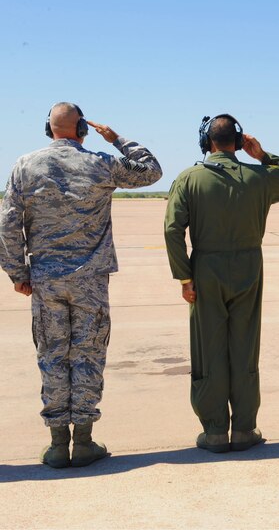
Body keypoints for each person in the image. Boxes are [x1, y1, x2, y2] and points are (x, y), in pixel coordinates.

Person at [0, 102, 163, 468]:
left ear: (49, 128)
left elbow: (8, 224)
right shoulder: (100, 163)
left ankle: (58, 445)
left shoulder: (25, 166)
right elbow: (151, 170)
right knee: (87, 356)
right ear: (82, 128)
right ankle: (84, 441)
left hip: (46, 281)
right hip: (89, 280)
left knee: (53, 356)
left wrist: (17, 273)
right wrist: (118, 138)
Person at [163, 114, 279, 453]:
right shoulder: (258, 177)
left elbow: (172, 230)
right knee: (244, 348)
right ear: (238, 141)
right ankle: (244, 429)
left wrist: (184, 276)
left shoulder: (190, 177)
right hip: (248, 267)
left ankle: (214, 431)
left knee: (209, 348)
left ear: (207, 142)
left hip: (206, 269)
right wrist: (261, 154)